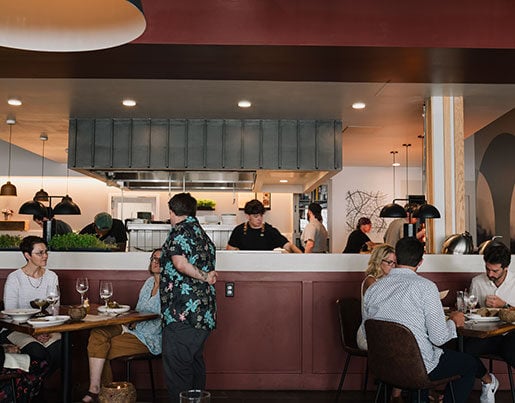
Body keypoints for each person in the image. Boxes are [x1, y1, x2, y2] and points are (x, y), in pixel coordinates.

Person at [362, 237, 498, 403]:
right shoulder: (425, 287)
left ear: (396, 258)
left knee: (428, 351)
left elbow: (366, 330)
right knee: (468, 364)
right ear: (420, 261)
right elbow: (438, 338)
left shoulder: (374, 288)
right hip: (418, 367)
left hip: (383, 366)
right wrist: (453, 321)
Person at [81, 249, 163, 403]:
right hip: (133, 327)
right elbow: (139, 310)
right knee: (98, 332)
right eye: (154, 258)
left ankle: (99, 392)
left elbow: (162, 319)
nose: (156, 262)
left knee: (100, 347)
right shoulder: (148, 283)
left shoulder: (171, 287)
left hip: (150, 337)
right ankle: (100, 390)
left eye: (161, 259)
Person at [160, 193, 218, 403]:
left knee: (177, 367)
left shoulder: (179, 232)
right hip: (204, 313)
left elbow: (180, 264)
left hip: (182, 312)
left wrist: (206, 277)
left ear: (172, 212)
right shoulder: (201, 233)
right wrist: (207, 276)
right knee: (193, 363)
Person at [1, 236, 61, 375]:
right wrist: (33, 333)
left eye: (46, 252)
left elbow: (54, 308)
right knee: (37, 352)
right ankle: (35, 392)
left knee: (59, 349)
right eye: (40, 253)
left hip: (46, 328)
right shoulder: (15, 278)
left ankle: (40, 388)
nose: (45, 256)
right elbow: (11, 313)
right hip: (17, 329)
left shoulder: (52, 276)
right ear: (27, 255)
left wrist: (44, 330)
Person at [355, 244, 403, 402]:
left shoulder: (391, 281)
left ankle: (405, 390)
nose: (392, 266)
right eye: (388, 262)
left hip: (387, 331)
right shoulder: (371, 281)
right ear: (377, 262)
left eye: (394, 263)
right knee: (402, 346)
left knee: (408, 343)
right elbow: (384, 309)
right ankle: (396, 395)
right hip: (369, 334)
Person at [466, 241, 515, 369]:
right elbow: (470, 311)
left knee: (510, 351)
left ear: (506, 268)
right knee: (465, 350)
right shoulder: (477, 282)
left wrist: (504, 305)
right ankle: (487, 380)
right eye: (487, 269)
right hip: (487, 335)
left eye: (495, 271)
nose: (490, 274)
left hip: (511, 334)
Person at [226, 199, 302, 253]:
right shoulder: (239, 231)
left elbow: (288, 246)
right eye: (256, 216)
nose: (260, 219)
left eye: (261, 215)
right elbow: (229, 251)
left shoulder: (270, 231)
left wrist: (301, 256)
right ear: (247, 216)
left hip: (266, 270)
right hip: (245, 270)